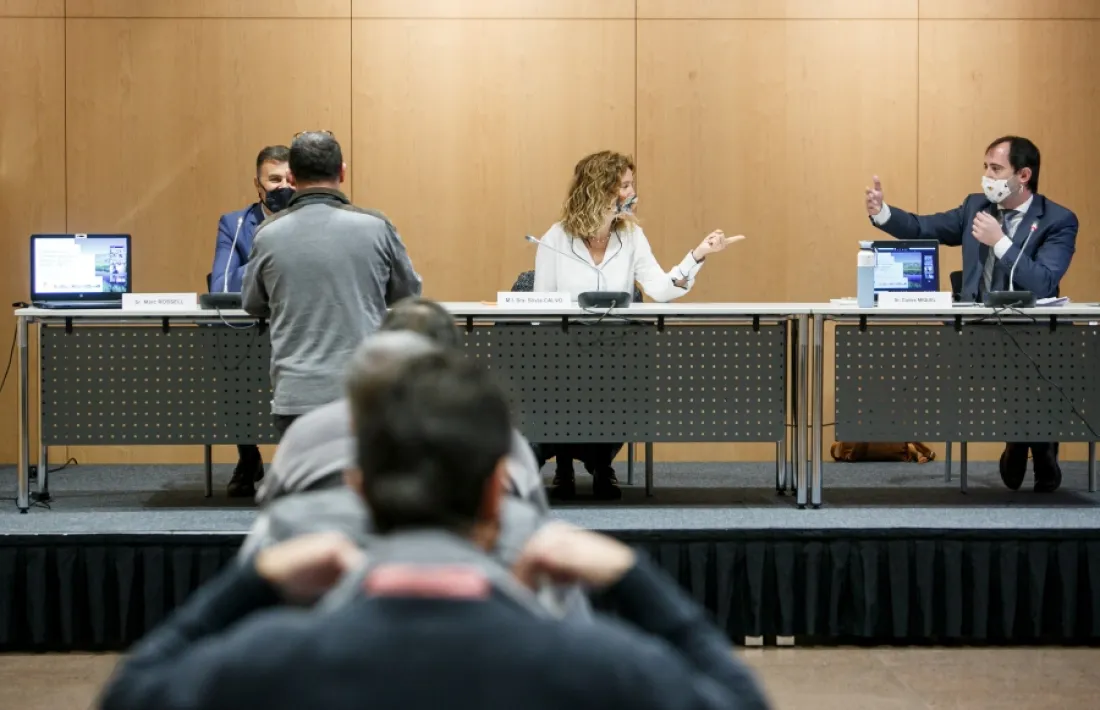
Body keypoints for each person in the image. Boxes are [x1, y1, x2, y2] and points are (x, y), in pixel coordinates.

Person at [97, 352, 771, 710]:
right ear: (493, 490)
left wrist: (251, 581)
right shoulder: (597, 664)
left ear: (359, 490)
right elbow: (739, 702)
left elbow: (130, 695)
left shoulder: (270, 658)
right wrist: (633, 577)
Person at [865, 135, 1078, 492]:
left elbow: (1043, 282)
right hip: (978, 333)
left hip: (1035, 334)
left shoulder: (1058, 220)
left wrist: (1001, 242)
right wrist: (882, 212)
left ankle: (1023, 440)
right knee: (1011, 366)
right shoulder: (975, 207)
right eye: (985, 168)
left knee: (1033, 362)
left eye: (996, 169)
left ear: (1023, 175)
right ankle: (1035, 442)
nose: (987, 177)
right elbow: (923, 228)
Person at [533, 150, 745, 499]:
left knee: (622, 376)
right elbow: (541, 308)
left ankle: (601, 462)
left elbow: (660, 290)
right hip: (565, 350)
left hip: (614, 349)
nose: (633, 193)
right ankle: (564, 464)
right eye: (626, 185)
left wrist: (699, 254)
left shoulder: (630, 236)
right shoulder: (556, 238)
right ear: (601, 189)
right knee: (571, 377)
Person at [242, 131, 422, 438]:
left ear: (292, 177)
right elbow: (409, 293)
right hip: (365, 394)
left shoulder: (267, 233)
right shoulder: (377, 226)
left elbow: (252, 303)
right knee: (363, 484)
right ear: (342, 171)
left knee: (307, 485)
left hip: (296, 399)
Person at [210, 145, 293, 495]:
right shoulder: (237, 223)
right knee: (229, 366)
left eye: (289, 178)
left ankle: (296, 463)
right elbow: (223, 284)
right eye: (273, 179)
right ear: (258, 185)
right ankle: (249, 456)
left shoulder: (313, 220)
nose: (282, 186)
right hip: (250, 332)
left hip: (299, 327)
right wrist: (267, 244)